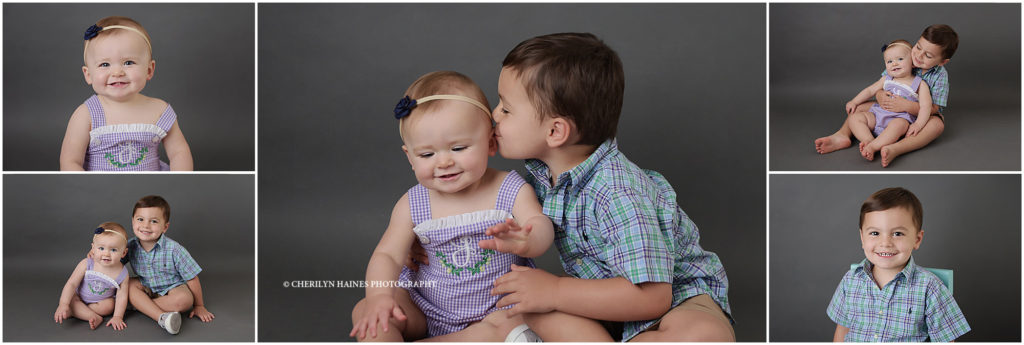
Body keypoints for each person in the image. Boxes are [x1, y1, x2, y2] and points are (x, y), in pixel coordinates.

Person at [488, 32, 733, 341]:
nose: (494, 114)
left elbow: (654, 297)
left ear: (555, 131)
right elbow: (477, 200)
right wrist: (422, 240)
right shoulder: (539, 178)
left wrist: (556, 290)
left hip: (675, 302)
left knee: (701, 335)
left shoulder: (617, 191)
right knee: (527, 311)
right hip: (601, 302)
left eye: (506, 109)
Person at [349, 71, 554, 341]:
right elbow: (388, 254)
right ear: (409, 157)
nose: (443, 162)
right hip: (426, 309)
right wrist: (378, 297)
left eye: (458, 148)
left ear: (490, 143)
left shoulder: (510, 189)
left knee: (513, 323)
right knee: (366, 312)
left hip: (498, 310)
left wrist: (528, 239)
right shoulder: (413, 203)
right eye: (427, 154)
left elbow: (541, 224)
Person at [827, 187, 970, 341]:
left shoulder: (930, 287)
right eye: (875, 233)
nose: (885, 243)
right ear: (862, 237)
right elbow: (842, 332)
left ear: (917, 239)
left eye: (897, 234)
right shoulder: (850, 281)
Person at [59, 16, 193, 171]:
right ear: (88, 74)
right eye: (105, 64)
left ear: (149, 70)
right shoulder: (86, 114)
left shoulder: (159, 110)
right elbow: (70, 162)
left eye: (128, 62)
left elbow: (179, 152)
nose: (117, 72)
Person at [815, 24, 958, 167]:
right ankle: (844, 135)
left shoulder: (939, 76)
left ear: (942, 61)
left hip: (915, 115)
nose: (919, 56)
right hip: (885, 109)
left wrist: (907, 107)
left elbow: (933, 108)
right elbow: (878, 87)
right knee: (858, 108)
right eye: (918, 47)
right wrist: (880, 95)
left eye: (928, 55)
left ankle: (895, 148)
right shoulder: (903, 56)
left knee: (937, 125)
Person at [126, 195, 214, 334]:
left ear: (165, 227)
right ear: (133, 222)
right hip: (145, 286)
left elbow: (192, 278)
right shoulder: (129, 246)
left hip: (172, 287)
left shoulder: (175, 249)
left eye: (154, 221)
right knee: (128, 285)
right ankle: (161, 316)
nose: (145, 226)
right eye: (140, 219)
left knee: (184, 300)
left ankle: (137, 305)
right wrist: (95, 254)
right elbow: (112, 263)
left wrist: (199, 305)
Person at [845, 40, 932, 161]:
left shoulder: (920, 84)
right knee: (854, 118)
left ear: (912, 63)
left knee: (898, 125)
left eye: (900, 59)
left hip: (900, 118)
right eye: (889, 61)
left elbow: (925, 107)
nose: (894, 64)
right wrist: (854, 101)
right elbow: (870, 91)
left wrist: (918, 124)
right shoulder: (887, 78)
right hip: (879, 114)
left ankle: (873, 147)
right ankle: (868, 140)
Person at [54, 222, 131, 330]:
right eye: (101, 248)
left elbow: (122, 296)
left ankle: (79, 312)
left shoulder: (122, 273)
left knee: (109, 305)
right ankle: (91, 315)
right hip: (79, 297)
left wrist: (118, 316)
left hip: (99, 303)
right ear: (93, 248)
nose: (106, 254)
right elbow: (72, 283)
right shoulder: (87, 263)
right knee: (70, 299)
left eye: (113, 250)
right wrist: (63, 304)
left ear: (124, 253)